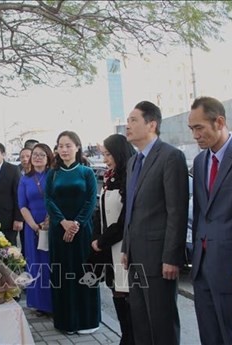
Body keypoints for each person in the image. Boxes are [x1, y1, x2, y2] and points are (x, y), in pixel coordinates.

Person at [187, 96, 232, 345]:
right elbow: (200, 213)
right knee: (209, 336)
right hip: (201, 268)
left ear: (219, 122)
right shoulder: (199, 162)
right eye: (192, 129)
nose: (195, 135)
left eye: (199, 128)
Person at [121, 101, 189, 345]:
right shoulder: (133, 162)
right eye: (128, 121)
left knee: (161, 321)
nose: (127, 126)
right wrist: (126, 248)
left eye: (133, 120)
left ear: (152, 124)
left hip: (160, 257)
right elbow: (131, 209)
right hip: (136, 254)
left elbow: (177, 212)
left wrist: (171, 257)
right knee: (140, 319)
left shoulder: (171, 157)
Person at [45, 130, 100, 335]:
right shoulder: (54, 173)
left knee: (85, 273)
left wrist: (76, 224)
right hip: (59, 232)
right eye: (60, 146)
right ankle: (65, 321)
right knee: (62, 274)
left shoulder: (86, 172)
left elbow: (91, 200)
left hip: (82, 232)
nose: (64, 149)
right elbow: (48, 200)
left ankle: (88, 320)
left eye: (68, 145)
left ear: (77, 147)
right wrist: (63, 223)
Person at [91, 134, 136, 345]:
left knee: (127, 300)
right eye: (103, 154)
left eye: (108, 154)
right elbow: (102, 212)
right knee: (117, 295)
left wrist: (102, 241)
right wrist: (97, 238)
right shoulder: (111, 176)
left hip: (123, 247)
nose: (106, 159)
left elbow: (124, 217)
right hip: (109, 248)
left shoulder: (130, 176)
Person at [17, 143, 54, 315]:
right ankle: (40, 304)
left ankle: (55, 303)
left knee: (51, 264)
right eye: (35, 155)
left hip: (53, 225)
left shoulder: (54, 175)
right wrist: (33, 225)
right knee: (36, 265)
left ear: (48, 158)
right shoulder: (25, 179)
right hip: (32, 228)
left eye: (42, 155)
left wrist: (48, 222)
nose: (37, 157)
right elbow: (23, 205)